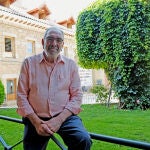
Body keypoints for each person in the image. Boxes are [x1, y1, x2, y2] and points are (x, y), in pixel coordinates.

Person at [17, 26, 92, 150]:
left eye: (58, 40)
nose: (54, 43)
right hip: (35, 117)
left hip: (65, 117)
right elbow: (21, 96)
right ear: (43, 42)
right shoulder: (28, 63)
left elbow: (77, 96)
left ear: (62, 44)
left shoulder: (71, 65)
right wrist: (36, 122)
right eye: (50, 39)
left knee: (83, 140)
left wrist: (59, 120)